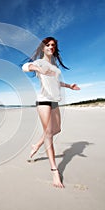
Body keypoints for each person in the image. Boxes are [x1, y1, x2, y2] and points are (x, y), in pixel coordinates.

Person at [22, 37, 80, 188]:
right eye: (47, 45)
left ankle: (37, 144)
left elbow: (56, 82)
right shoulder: (40, 62)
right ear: (43, 48)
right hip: (43, 101)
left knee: (57, 129)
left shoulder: (53, 65)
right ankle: (55, 171)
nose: (50, 47)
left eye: (53, 45)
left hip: (54, 100)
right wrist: (36, 68)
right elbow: (25, 66)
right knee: (48, 133)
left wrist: (69, 85)